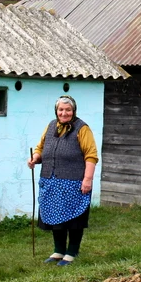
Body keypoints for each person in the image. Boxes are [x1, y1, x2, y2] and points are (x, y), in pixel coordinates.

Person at [27, 95, 97, 266]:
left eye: (68, 110)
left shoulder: (82, 129)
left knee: (74, 219)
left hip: (73, 182)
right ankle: (59, 251)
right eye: (61, 109)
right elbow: (41, 147)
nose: (64, 113)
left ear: (73, 111)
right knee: (55, 216)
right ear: (56, 111)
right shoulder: (51, 126)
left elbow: (91, 155)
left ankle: (72, 252)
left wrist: (87, 179)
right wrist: (35, 158)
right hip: (51, 181)